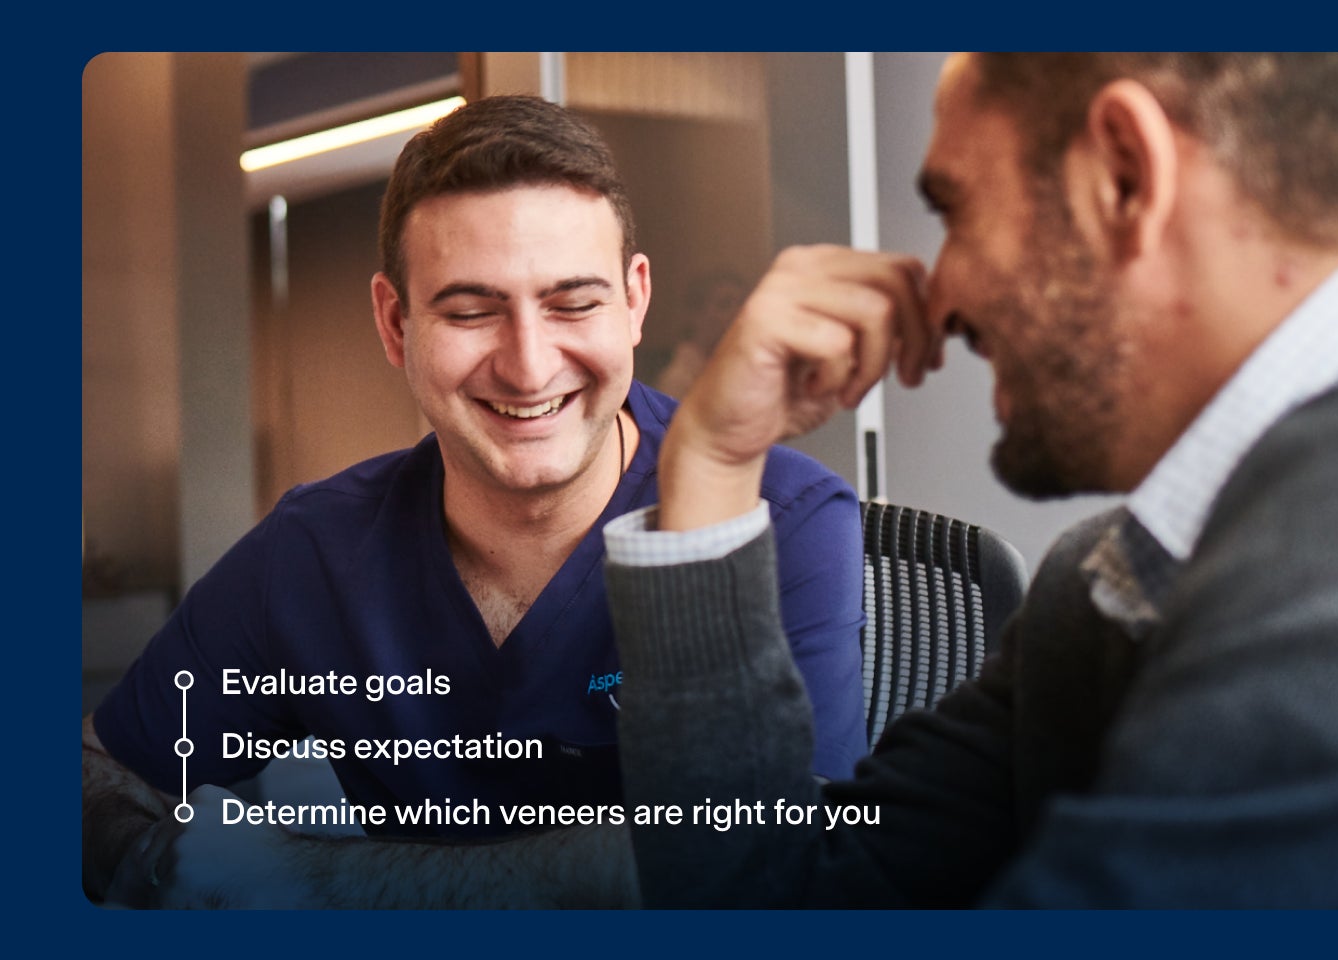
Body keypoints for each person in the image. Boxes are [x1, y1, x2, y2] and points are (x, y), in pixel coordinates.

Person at [602, 52, 1338, 907]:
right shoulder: (1100, 585)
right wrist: (710, 463)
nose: (940, 295)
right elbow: (779, 900)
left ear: (1123, 174)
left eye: (955, 212)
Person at [82, 94, 868, 907]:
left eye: (574, 303)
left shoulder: (782, 519)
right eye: (470, 310)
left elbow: (779, 872)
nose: (529, 367)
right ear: (395, 324)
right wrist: (161, 867)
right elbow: (99, 769)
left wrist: (313, 877)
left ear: (634, 301)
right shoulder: (316, 548)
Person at [653, 269, 749, 399]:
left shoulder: (733, 365)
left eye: (741, 303)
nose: (737, 313)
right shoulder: (678, 378)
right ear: (697, 314)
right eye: (725, 304)